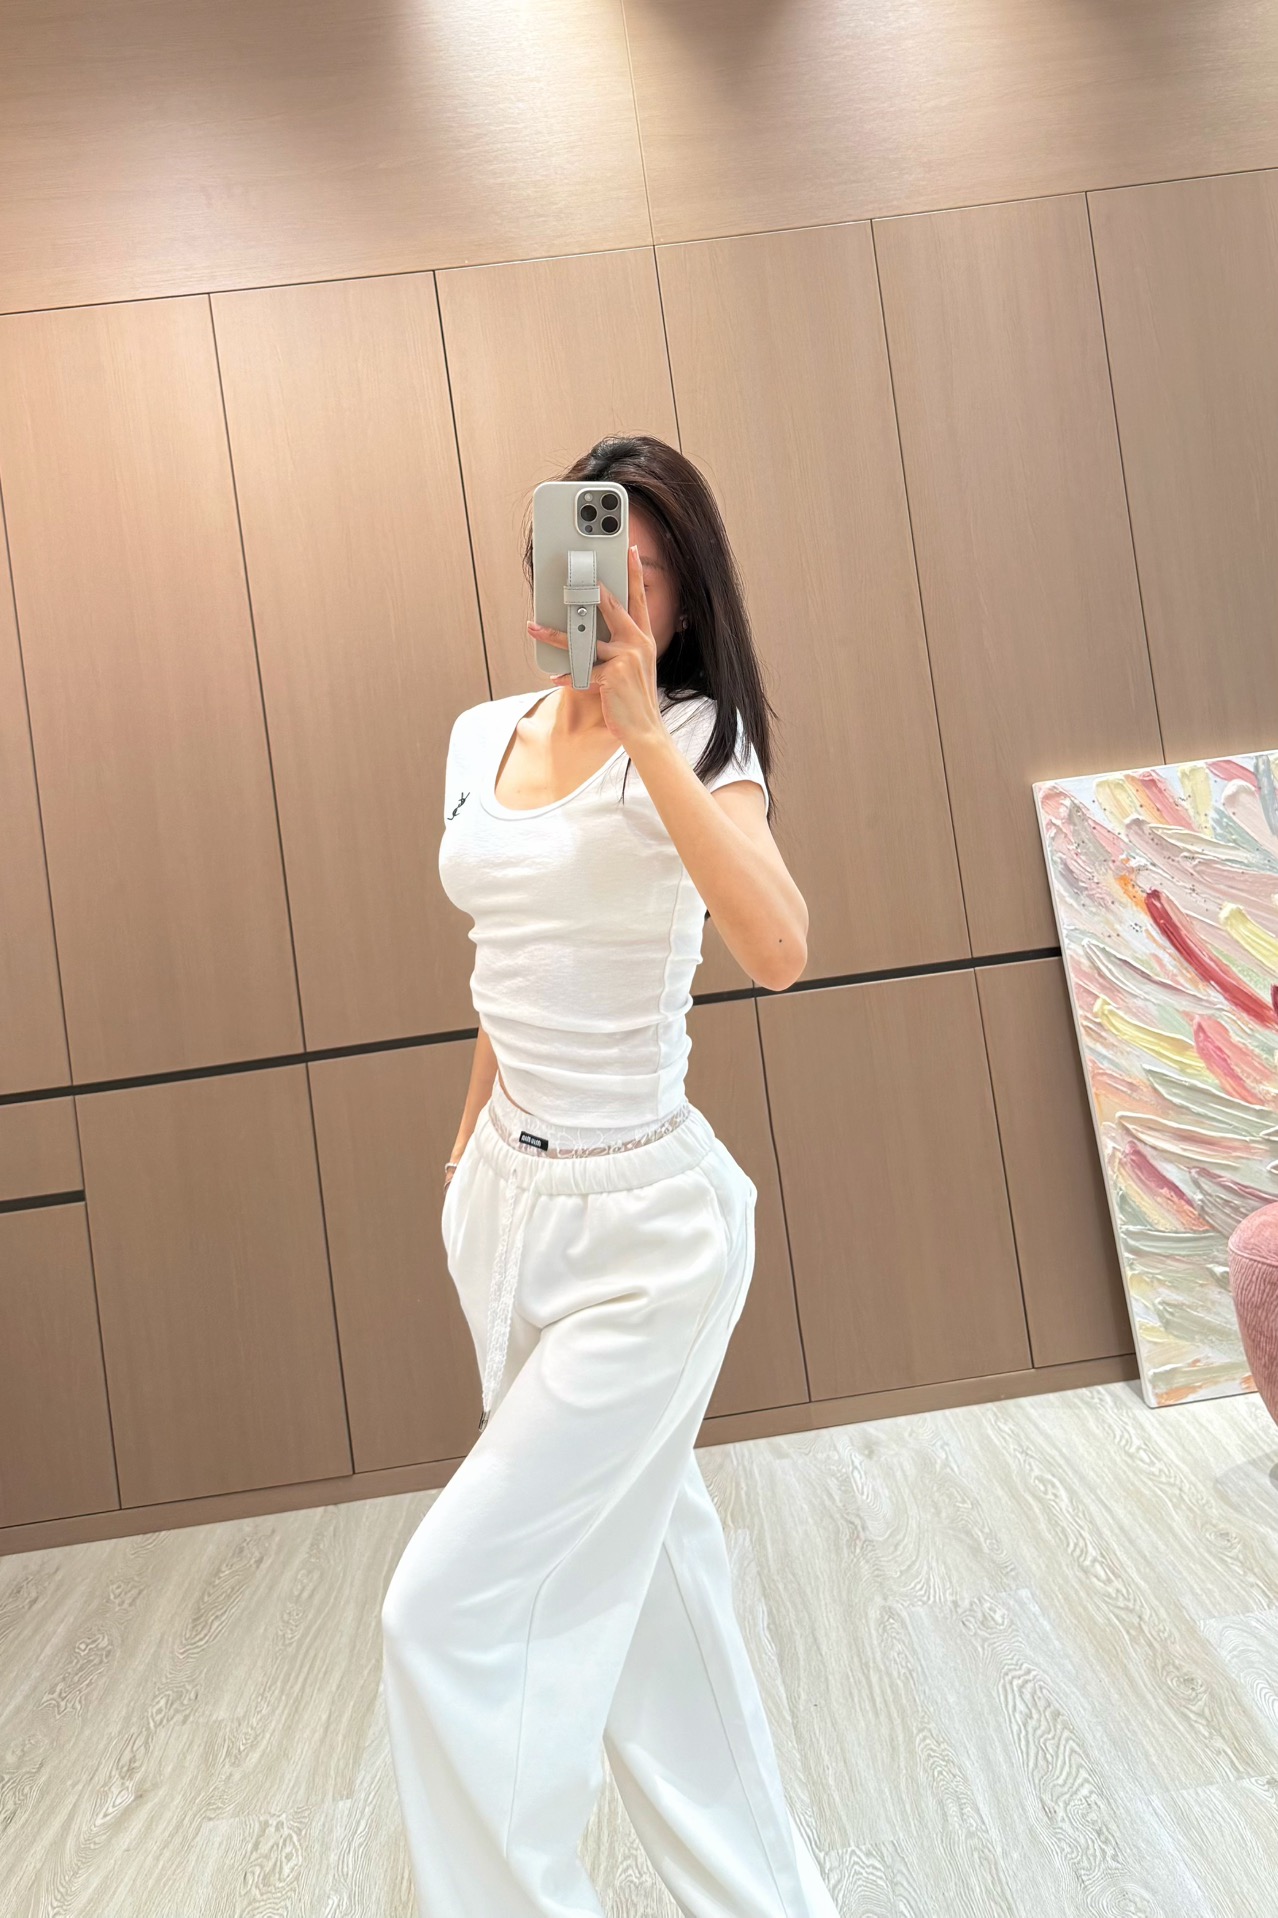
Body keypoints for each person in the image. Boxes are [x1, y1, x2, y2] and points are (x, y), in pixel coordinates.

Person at [380, 434, 838, 1918]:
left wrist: (643, 733)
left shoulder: (698, 737)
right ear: (547, 556)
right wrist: (466, 1153)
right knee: (654, 1599)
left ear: (686, 600)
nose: (614, 591)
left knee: (442, 1615)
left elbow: (779, 949)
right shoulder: (479, 737)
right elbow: (503, 959)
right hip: (505, 1213)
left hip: (645, 1235)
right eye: (594, 552)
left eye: (648, 571)